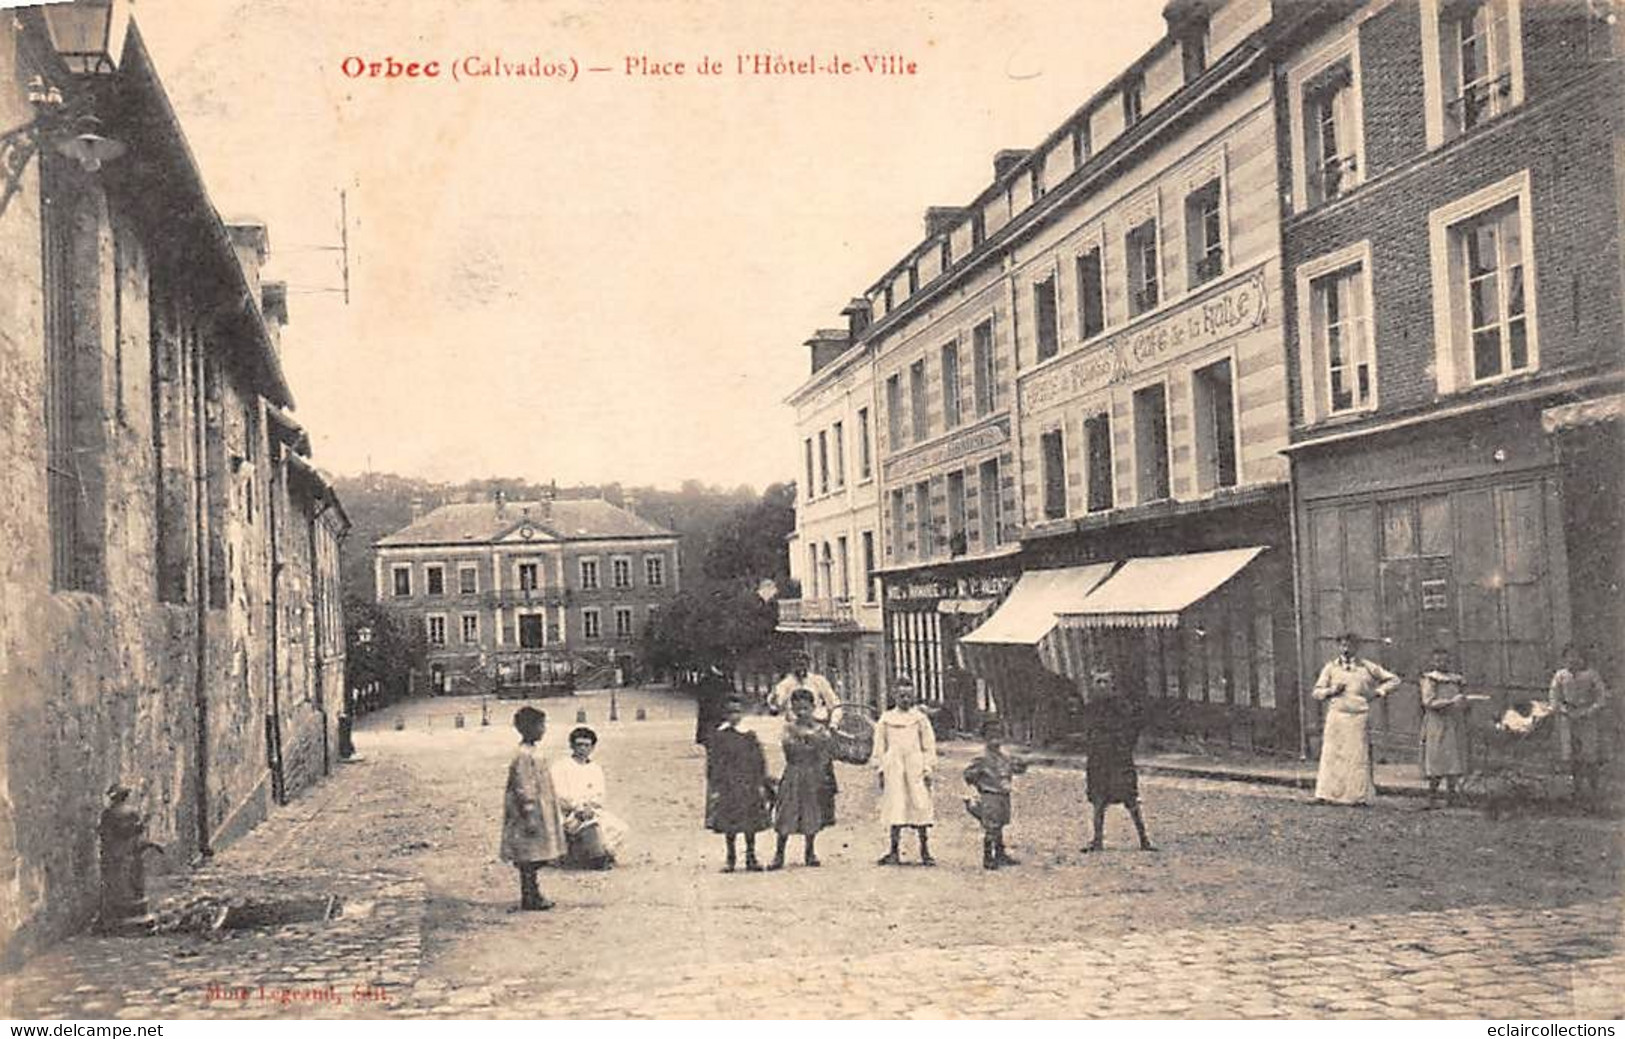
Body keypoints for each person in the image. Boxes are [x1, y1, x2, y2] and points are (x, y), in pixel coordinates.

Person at [1311, 632, 1402, 806]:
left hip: (1358, 717)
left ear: (1356, 647)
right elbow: (1316, 692)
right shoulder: (1330, 668)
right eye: (1343, 645)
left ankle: (1356, 797)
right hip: (1336, 716)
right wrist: (1331, 691)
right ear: (1339, 646)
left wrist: (1377, 692)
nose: (1346, 649)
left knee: (1356, 756)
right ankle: (1326, 794)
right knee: (1332, 755)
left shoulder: (1367, 667)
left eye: (1350, 646)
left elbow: (1394, 680)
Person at [1078, 669, 1155, 853]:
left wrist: (1126, 746)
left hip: (1119, 760)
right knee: (1098, 802)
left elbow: (1133, 727)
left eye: (1105, 682)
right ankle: (1097, 841)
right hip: (1099, 761)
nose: (1102, 686)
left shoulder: (1122, 707)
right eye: (1098, 682)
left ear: (1113, 685)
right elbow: (1086, 731)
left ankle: (1144, 840)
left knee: (1131, 801)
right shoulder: (1091, 708)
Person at [499, 707, 565, 911]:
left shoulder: (534, 752)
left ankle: (533, 892)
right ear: (529, 728)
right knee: (528, 854)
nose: (544, 729)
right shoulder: (523, 756)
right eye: (540, 725)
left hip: (540, 808)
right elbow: (524, 785)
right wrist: (529, 813)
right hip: (529, 812)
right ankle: (530, 895)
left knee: (536, 852)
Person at [873, 678, 938, 866]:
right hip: (894, 766)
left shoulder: (920, 719)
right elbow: (879, 747)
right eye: (901, 695)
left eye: (909, 696)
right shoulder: (886, 719)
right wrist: (881, 769)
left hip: (915, 766)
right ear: (894, 695)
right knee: (896, 805)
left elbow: (928, 746)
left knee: (920, 804)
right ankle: (893, 851)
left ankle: (925, 851)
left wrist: (927, 768)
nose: (905, 700)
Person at [706, 696, 773, 872]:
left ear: (742, 713)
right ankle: (731, 857)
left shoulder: (749, 735)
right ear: (724, 714)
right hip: (729, 785)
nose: (734, 716)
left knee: (750, 823)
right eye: (730, 712)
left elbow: (759, 760)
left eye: (737, 712)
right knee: (730, 823)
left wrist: (761, 781)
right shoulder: (719, 735)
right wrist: (715, 784)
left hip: (748, 784)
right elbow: (714, 762)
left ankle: (751, 856)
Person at [770, 688, 835, 869]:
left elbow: (824, 750)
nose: (801, 713)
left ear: (813, 708)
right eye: (797, 709)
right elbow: (789, 748)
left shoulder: (820, 729)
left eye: (805, 708)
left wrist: (810, 742)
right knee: (786, 812)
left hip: (812, 775)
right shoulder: (789, 729)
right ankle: (779, 853)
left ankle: (810, 851)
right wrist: (810, 741)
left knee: (811, 812)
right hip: (793, 773)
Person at [550, 726, 629, 869]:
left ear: (592, 747)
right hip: (566, 812)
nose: (583, 749)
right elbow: (559, 794)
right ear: (571, 745)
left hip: (590, 810)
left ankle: (600, 854)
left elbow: (599, 795)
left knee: (619, 828)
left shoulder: (596, 769)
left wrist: (590, 807)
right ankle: (586, 856)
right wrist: (578, 808)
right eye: (579, 744)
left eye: (587, 745)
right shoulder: (560, 767)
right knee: (585, 826)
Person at [1549, 644, 1611, 805]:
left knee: (1589, 754)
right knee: (1572, 754)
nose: (1572, 659)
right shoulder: (1561, 675)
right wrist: (1563, 710)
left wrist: (1589, 711)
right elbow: (1554, 697)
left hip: (1587, 718)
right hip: (1568, 717)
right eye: (1569, 656)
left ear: (1582, 658)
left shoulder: (1591, 675)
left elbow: (1601, 697)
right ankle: (1576, 790)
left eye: (1576, 656)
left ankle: (1594, 790)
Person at [962, 720, 1028, 869]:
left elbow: (1015, 769)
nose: (995, 739)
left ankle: (1000, 853)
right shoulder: (982, 757)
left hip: (1003, 794)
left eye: (998, 735)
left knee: (1000, 825)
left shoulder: (1004, 756)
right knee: (991, 827)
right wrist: (978, 786)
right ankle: (988, 857)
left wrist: (1021, 765)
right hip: (989, 795)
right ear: (984, 737)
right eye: (991, 735)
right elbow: (968, 775)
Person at [1418, 647, 1470, 808]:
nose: (1443, 663)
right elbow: (1428, 701)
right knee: (1436, 758)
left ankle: (1451, 796)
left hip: (1454, 721)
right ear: (1433, 661)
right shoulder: (1430, 679)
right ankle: (1432, 797)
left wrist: (1464, 702)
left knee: (1453, 759)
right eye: (1438, 660)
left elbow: (1463, 699)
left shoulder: (1457, 679)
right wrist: (1450, 702)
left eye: (1446, 660)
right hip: (1437, 722)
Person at [768, 653, 840, 719]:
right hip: (794, 725)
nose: (800, 669)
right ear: (792, 666)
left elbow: (834, 703)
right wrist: (775, 702)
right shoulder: (785, 684)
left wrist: (833, 722)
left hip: (816, 722)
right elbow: (777, 701)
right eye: (797, 665)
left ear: (808, 665)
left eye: (802, 665)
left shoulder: (819, 681)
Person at [694, 666, 732, 747]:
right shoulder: (718, 680)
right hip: (713, 704)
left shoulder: (705, 680)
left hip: (708, 704)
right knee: (714, 720)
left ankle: (704, 737)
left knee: (707, 721)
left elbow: (699, 692)